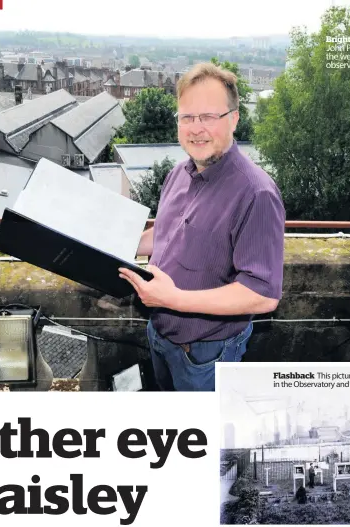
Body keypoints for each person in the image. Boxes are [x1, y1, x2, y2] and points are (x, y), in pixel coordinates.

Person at [119, 63, 285, 391]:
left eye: (209, 116)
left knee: (198, 431)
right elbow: (168, 233)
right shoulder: (178, 173)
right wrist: (116, 240)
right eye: (187, 117)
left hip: (205, 354)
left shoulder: (257, 193)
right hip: (160, 334)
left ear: (234, 118)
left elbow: (262, 295)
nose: (196, 129)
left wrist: (173, 299)